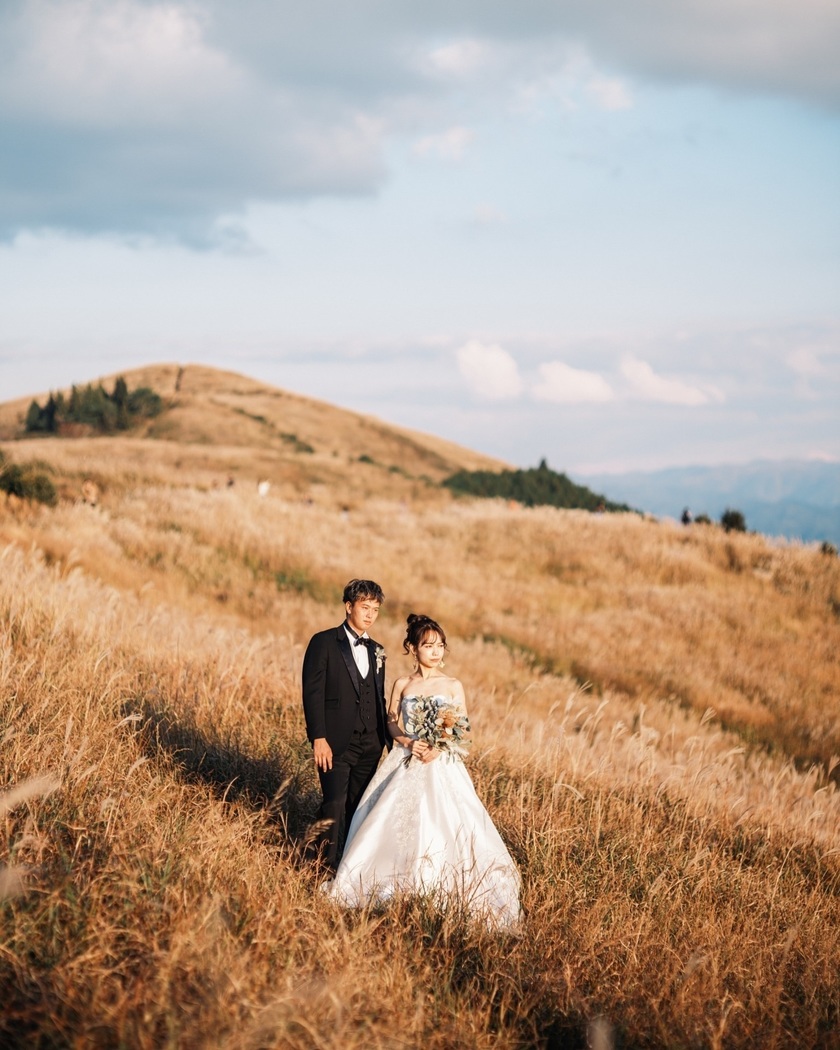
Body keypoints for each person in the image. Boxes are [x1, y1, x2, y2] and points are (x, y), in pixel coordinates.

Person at [324, 613, 521, 928]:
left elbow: (463, 727)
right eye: (428, 645)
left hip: (442, 763)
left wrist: (439, 745)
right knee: (393, 819)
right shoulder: (403, 683)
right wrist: (406, 740)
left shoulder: (453, 684)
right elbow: (390, 720)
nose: (435, 651)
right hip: (408, 756)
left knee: (447, 822)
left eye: (440, 645)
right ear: (412, 648)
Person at [302, 579, 389, 872]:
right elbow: (312, 693)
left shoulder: (378, 650)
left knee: (358, 807)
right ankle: (321, 869)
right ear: (349, 606)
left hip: (371, 744)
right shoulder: (323, 642)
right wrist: (319, 737)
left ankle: (346, 868)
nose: (370, 615)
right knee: (334, 804)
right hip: (334, 742)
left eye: (375, 610)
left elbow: (377, 696)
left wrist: (388, 741)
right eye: (365, 607)